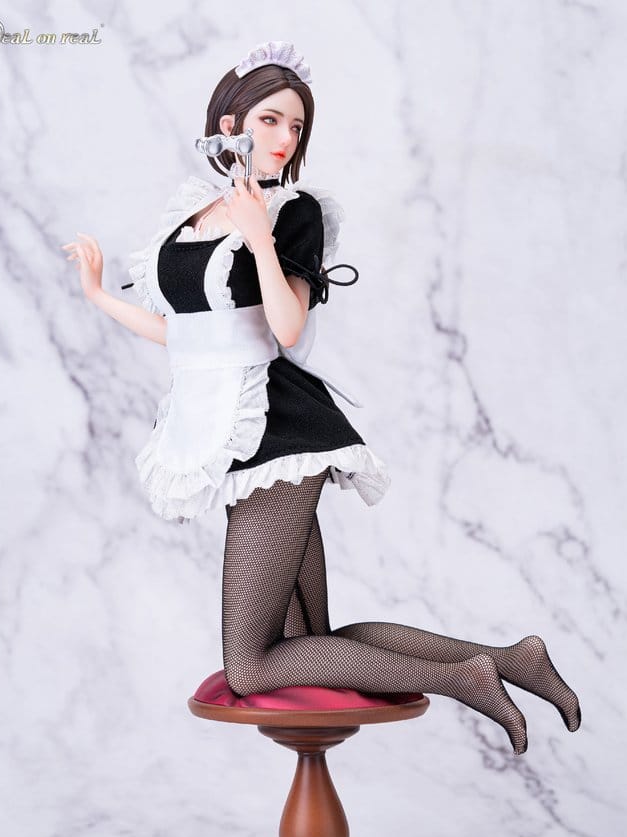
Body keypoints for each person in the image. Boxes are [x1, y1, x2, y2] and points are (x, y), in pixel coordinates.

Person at [62, 41, 581, 755]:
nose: (284, 138)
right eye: (270, 120)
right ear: (228, 121)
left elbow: (287, 328)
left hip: (279, 430)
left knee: (251, 666)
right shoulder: (193, 214)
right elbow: (187, 337)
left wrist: (261, 241)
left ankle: (464, 678)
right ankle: (511, 658)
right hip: (225, 429)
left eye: (296, 126)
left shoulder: (293, 212)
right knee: (312, 640)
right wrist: (97, 295)